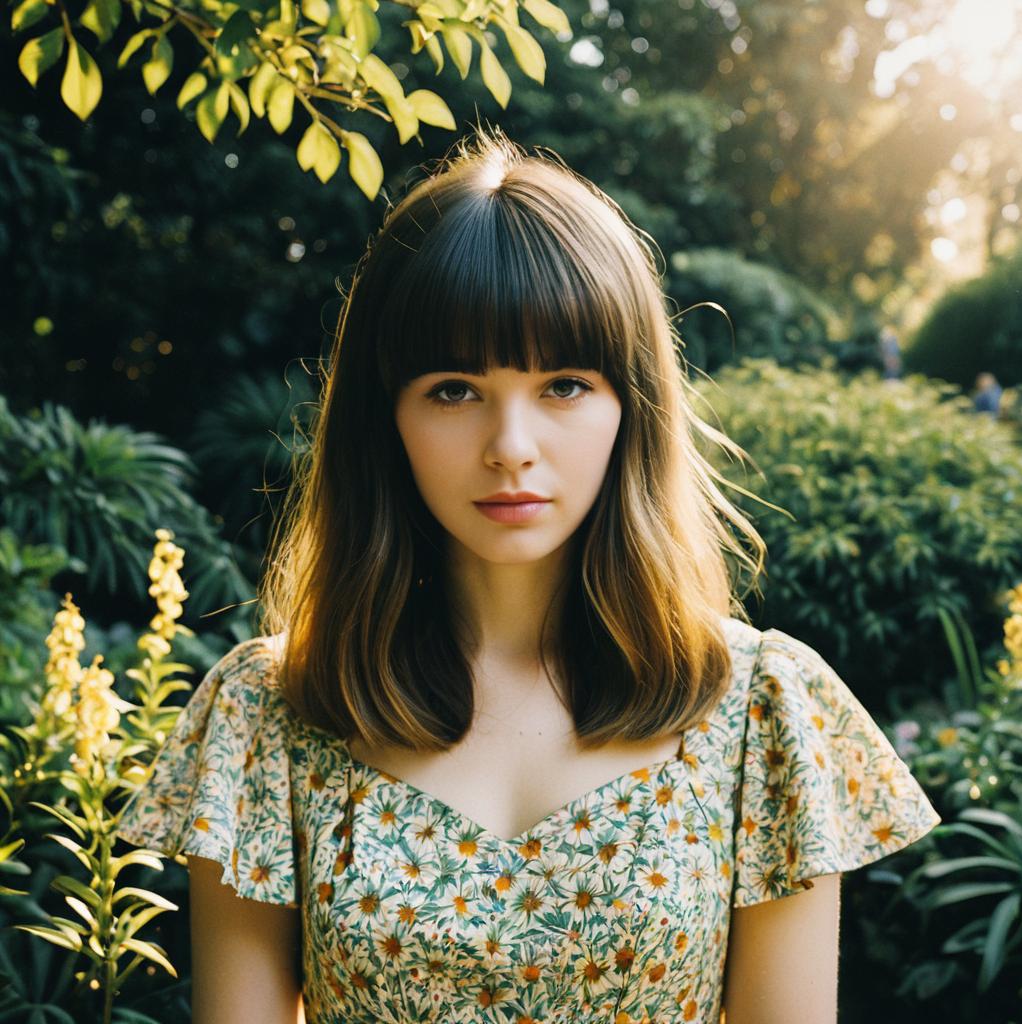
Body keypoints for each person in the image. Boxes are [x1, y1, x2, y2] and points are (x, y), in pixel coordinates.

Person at [117, 127, 941, 1024]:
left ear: (632, 407)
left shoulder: (758, 710)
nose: (510, 447)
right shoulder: (270, 712)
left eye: (564, 385)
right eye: (453, 389)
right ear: (384, 418)